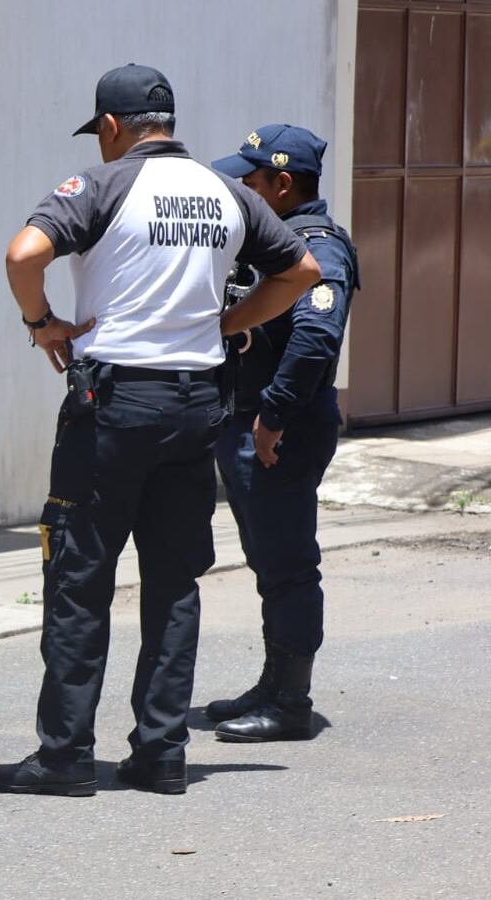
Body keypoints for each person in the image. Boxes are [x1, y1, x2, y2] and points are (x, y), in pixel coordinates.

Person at [0, 64, 321, 797]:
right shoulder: (226, 192)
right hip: (197, 407)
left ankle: (65, 756)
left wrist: (42, 324)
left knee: (79, 581)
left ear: (111, 127)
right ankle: (162, 752)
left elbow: (23, 254)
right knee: (173, 584)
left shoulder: (101, 187)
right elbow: (300, 271)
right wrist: (225, 323)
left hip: (112, 406)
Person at [204, 125, 361, 742]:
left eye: (252, 180)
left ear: (283, 183)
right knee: (269, 558)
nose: (242, 188)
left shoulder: (319, 246)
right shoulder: (274, 242)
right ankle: (274, 681)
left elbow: (316, 339)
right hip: (252, 422)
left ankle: (291, 702)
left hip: (281, 429)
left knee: (289, 562)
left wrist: (272, 418)